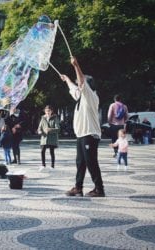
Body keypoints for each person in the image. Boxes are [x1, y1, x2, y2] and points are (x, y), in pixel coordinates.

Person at [60, 56, 105, 197]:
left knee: (91, 162)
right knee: (80, 162)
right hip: (81, 134)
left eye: (82, 84)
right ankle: (78, 187)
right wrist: (67, 79)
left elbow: (81, 83)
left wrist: (76, 65)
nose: (79, 85)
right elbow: (74, 88)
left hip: (89, 134)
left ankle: (99, 189)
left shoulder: (91, 96)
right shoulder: (81, 97)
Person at [37, 105, 60, 170]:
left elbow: (58, 129)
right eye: (46, 111)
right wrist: (39, 131)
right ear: (44, 111)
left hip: (52, 138)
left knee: (51, 152)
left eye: (49, 111)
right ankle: (43, 165)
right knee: (42, 151)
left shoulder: (55, 118)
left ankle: (52, 166)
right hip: (44, 138)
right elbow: (39, 128)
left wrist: (50, 129)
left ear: (51, 111)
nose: (47, 112)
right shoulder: (43, 118)